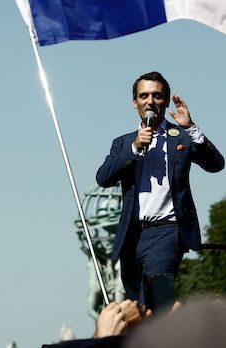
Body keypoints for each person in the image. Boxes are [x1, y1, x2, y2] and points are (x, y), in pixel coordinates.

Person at [96, 71, 224, 304]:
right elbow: (103, 178)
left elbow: (216, 165)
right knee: (138, 311)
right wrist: (134, 148)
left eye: (157, 95)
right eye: (143, 96)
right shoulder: (123, 142)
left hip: (167, 232)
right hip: (132, 237)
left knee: (157, 301)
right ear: (135, 102)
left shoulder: (182, 138)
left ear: (165, 101)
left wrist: (192, 128)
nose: (150, 101)